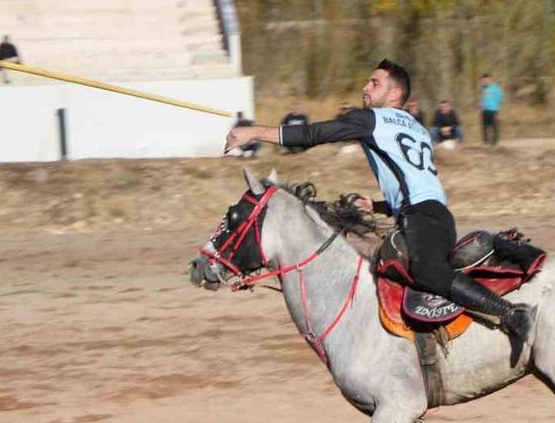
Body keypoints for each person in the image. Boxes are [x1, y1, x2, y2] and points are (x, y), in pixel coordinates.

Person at [225, 59, 533, 353]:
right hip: (434, 216)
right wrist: (379, 205)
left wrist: (256, 132)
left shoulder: (371, 119)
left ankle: (510, 314)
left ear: (395, 93)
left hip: (422, 218)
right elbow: (417, 184)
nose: (365, 88)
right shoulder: (417, 127)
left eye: (374, 82)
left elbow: (311, 134)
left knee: (428, 274)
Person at [479, 73, 503, 146]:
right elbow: (483, 99)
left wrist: (497, 109)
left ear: (490, 80)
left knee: (494, 126)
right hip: (484, 110)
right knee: (484, 127)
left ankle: (494, 143)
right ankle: (485, 142)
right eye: (482, 80)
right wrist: (481, 107)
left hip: (493, 110)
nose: (484, 82)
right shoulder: (483, 89)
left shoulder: (496, 88)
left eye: (486, 80)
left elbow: (500, 99)